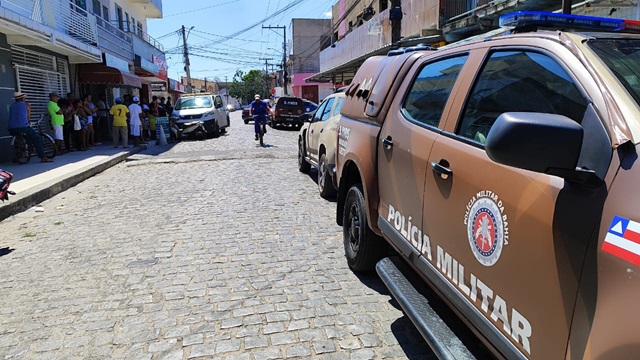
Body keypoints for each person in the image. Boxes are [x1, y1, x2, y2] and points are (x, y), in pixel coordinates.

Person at [8, 92, 53, 163]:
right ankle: (43, 157)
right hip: (23, 127)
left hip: (11, 128)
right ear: (22, 98)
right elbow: (28, 117)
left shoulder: (12, 106)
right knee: (36, 138)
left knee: (18, 138)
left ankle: (17, 157)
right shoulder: (26, 105)